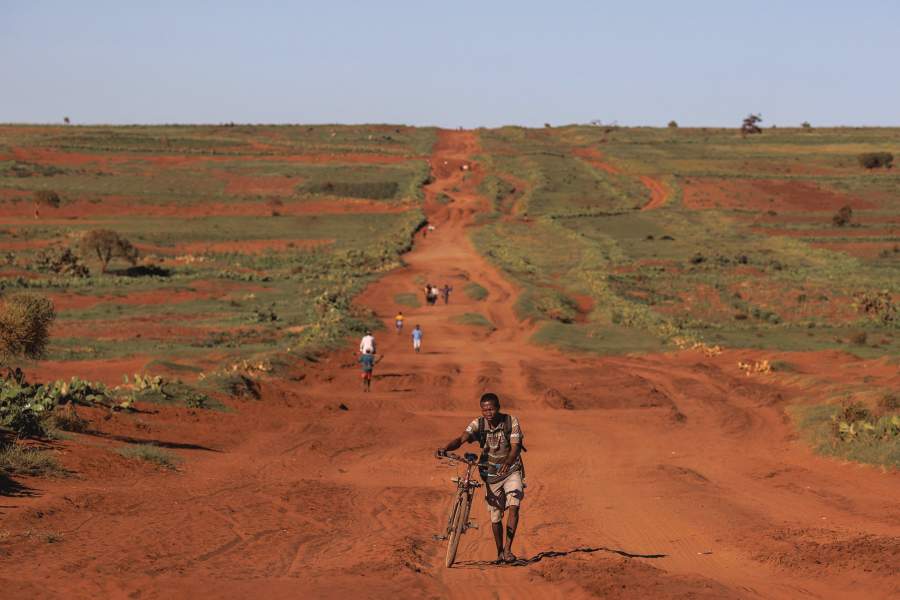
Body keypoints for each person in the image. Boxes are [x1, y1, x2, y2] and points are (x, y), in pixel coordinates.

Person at [436, 393, 524, 563]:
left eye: (491, 409)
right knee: (495, 516)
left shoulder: (511, 421)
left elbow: (516, 447)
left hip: (511, 469)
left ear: (498, 408)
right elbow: (462, 438)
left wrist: (508, 461)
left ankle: (507, 550)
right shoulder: (478, 424)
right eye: (484, 409)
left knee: (514, 505)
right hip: (490, 474)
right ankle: (499, 552)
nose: (488, 412)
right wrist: (445, 448)